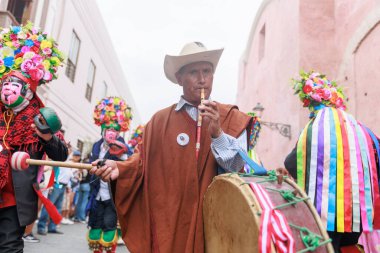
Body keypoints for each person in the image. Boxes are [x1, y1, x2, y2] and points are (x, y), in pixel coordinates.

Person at [91, 42, 253, 253]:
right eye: (194, 72)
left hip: (215, 225)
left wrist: (217, 134)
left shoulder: (231, 117)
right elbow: (141, 163)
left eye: (207, 71)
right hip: (170, 223)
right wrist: (118, 167)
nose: (202, 79)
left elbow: (237, 167)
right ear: (179, 78)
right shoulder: (159, 121)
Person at [284, 71, 379, 252]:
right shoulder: (360, 131)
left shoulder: (315, 129)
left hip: (325, 214)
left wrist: (314, 180)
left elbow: (290, 162)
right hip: (356, 214)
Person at [0, 22, 68, 252]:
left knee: (9, 247)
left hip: (13, 201)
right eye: (5, 83)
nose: (8, 88)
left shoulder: (41, 119)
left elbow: (61, 156)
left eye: (14, 84)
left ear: (28, 90)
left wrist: (48, 137)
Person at [87, 96, 132, 253]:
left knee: (109, 227)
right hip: (97, 193)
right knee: (95, 226)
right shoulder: (96, 146)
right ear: (102, 129)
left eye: (115, 129)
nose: (111, 132)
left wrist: (122, 156)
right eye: (109, 129)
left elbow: (130, 166)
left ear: (120, 131)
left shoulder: (125, 148)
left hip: (113, 196)